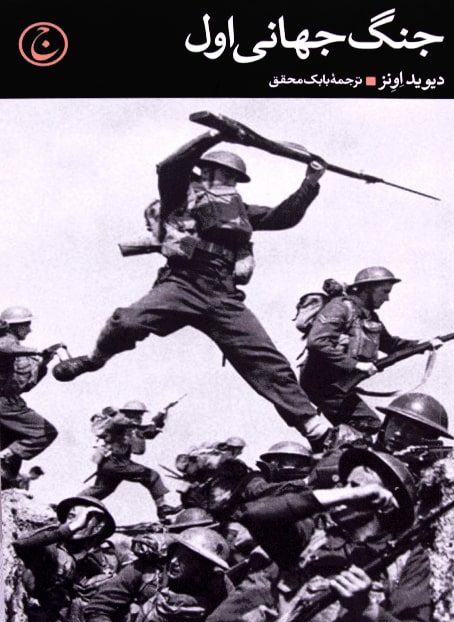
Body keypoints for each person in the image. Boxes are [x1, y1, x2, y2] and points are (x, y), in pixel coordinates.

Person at [52, 126, 332, 449]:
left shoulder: (240, 210)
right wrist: (214, 135)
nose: (229, 182)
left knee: (266, 360)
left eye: (234, 178)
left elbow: (283, 217)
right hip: (183, 281)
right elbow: (168, 167)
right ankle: (94, 359)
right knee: (125, 321)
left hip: (222, 292)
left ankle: (316, 430)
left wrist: (310, 182)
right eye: (224, 175)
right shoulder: (179, 196)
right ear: (206, 172)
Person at [220, 448, 431, 622]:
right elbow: (254, 515)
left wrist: (367, 609)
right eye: (343, 485)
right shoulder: (312, 534)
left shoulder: (406, 558)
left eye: (356, 486)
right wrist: (351, 495)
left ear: (384, 504)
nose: (342, 491)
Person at [299, 266, 436, 436]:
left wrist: (422, 344)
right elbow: (317, 342)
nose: (387, 298)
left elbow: (390, 345)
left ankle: (337, 445)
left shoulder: (369, 316)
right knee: (367, 424)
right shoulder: (340, 308)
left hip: (338, 386)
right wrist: (356, 365)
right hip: (320, 384)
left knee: (367, 425)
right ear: (367, 290)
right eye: (384, 292)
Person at [84, 526, 233, 622]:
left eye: (187, 559)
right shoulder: (144, 569)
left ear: (205, 566)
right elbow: (97, 609)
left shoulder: (221, 586)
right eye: (176, 553)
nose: (174, 561)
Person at [13, 495, 118, 622]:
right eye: (71, 516)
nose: (76, 521)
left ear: (98, 527)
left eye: (84, 518)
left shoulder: (107, 559)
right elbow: (21, 544)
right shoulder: (53, 548)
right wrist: (73, 526)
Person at [80, 405, 179, 522]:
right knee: (152, 476)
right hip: (116, 462)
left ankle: (74, 504)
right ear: (129, 414)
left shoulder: (132, 428)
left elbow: (150, 431)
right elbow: (119, 421)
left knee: (102, 490)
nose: (140, 418)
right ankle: (162, 509)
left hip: (111, 465)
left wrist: (162, 413)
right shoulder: (117, 424)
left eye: (141, 415)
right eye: (138, 415)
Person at [0, 306, 59, 486]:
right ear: (14, 326)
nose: (30, 329)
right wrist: (37, 350)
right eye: (26, 325)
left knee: (12, 446)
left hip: (10, 401)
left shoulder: (20, 353)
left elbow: (26, 385)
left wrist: (44, 361)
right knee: (45, 432)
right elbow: (5, 347)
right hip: (5, 403)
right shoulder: (6, 342)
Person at [375, 392, 454, 475]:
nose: (398, 433)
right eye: (396, 423)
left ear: (429, 439)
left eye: (411, 429)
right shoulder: (367, 460)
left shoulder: (436, 475)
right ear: (386, 424)